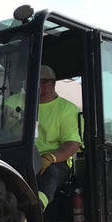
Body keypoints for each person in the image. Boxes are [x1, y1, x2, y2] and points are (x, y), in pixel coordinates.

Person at [35, 65, 82, 208]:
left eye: (36, 82)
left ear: (49, 84)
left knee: (51, 172)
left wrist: (50, 158)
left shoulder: (66, 109)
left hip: (56, 161)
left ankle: (37, 207)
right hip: (25, 157)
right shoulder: (20, 103)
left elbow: (72, 144)